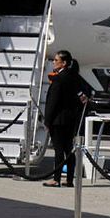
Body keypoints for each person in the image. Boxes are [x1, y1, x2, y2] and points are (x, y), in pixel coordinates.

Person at [40, 51, 87, 187]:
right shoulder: (74, 77)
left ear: (64, 63)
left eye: (56, 60)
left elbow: (53, 102)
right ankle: (70, 179)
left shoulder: (59, 79)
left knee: (59, 150)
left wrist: (47, 120)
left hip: (58, 120)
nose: (53, 62)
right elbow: (80, 97)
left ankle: (56, 178)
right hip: (70, 119)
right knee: (69, 149)